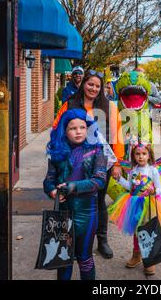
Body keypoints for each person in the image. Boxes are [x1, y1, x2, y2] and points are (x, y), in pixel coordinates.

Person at [53, 70, 125, 259]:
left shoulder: (109, 107)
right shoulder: (69, 104)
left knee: (98, 201)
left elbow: (117, 135)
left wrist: (117, 163)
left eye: (97, 86)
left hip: (101, 161)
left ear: (101, 89)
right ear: (83, 84)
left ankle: (101, 240)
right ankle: (71, 239)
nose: (93, 88)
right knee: (73, 198)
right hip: (73, 160)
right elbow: (57, 128)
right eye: (90, 84)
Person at [43, 108, 107, 280]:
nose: (78, 132)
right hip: (63, 213)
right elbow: (48, 180)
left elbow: (100, 180)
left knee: (85, 258)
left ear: (88, 129)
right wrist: (52, 190)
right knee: (63, 259)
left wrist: (74, 187)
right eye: (73, 128)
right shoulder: (57, 152)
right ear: (64, 130)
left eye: (82, 127)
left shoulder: (96, 150)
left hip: (87, 212)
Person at [108, 141, 161, 276]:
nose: (141, 157)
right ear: (133, 156)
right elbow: (129, 187)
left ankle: (150, 258)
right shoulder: (133, 170)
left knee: (148, 230)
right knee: (138, 231)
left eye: (144, 154)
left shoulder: (153, 170)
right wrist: (119, 179)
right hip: (134, 204)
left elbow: (159, 188)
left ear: (149, 156)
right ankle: (136, 255)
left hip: (149, 204)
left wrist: (154, 190)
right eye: (137, 154)